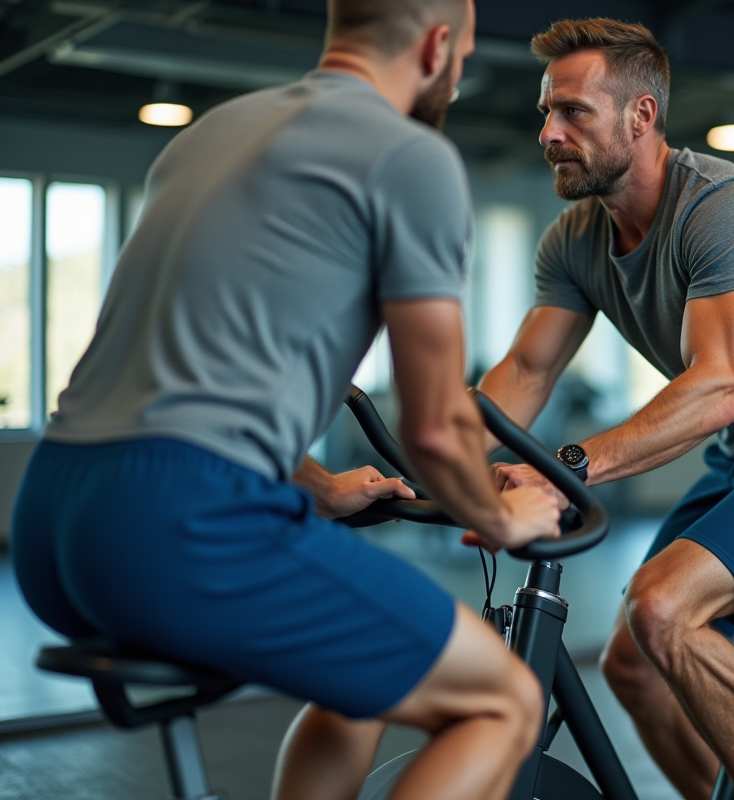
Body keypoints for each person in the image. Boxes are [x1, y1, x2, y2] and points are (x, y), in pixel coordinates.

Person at [9, 1, 563, 799]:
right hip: (179, 528)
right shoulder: (411, 157)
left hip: (52, 521)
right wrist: (503, 516)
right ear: (440, 45)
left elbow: (182, 381)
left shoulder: (208, 137)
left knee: (363, 680)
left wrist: (325, 489)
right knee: (504, 700)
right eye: (465, 56)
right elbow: (436, 427)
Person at [475, 18, 734, 800]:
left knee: (662, 607)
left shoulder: (722, 209)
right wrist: (440, 464)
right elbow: (526, 371)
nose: (549, 132)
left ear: (640, 116)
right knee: (630, 665)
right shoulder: (575, 240)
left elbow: (716, 388)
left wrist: (562, 471)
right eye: (546, 112)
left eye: (573, 112)